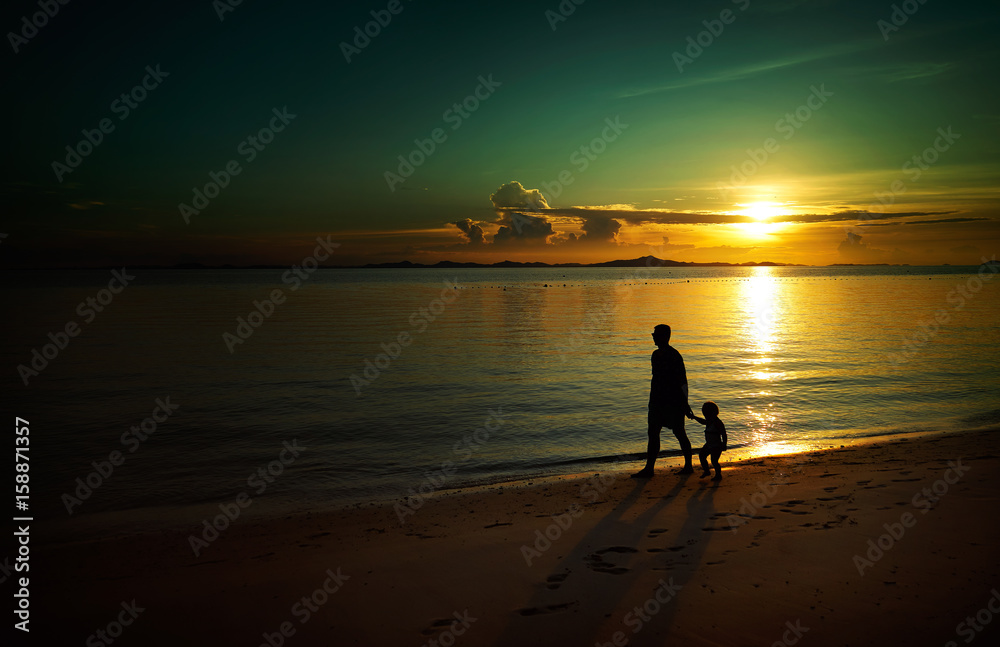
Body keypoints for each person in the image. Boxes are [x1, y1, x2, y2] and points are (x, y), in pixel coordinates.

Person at [632, 324, 694, 478]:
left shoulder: (674, 356)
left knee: (679, 433)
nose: (653, 336)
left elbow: (682, 381)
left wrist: (685, 403)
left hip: (673, 401)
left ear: (664, 337)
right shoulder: (655, 355)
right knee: (653, 432)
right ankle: (649, 468)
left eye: (656, 334)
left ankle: (688, 465)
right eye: (653, 334)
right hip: (656, 400)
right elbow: (657, 379)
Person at [688, 401, 727, 481]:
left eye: (705, 413)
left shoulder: (717, 422)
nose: (705, 415)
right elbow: (703, 422)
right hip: (709, 444)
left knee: (714, 461)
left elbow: (724, 434)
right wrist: (694, 417)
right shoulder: (709, 421)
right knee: (702, 456)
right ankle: (707, 471)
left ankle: (718, 475)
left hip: (717, 445)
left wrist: (724, 444)